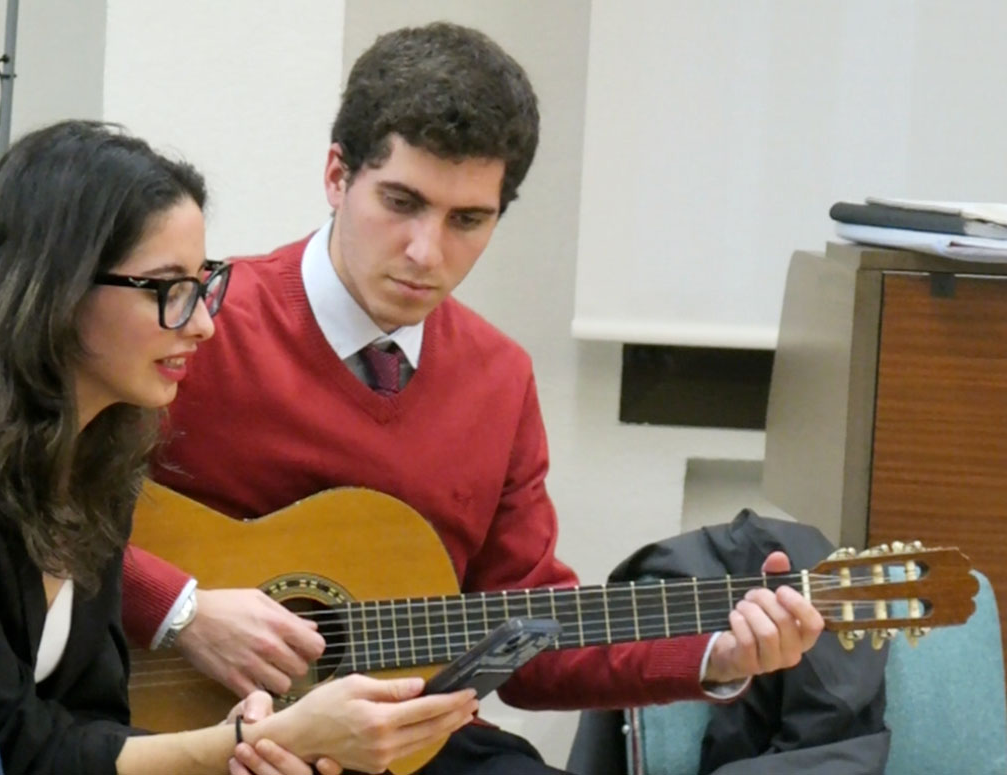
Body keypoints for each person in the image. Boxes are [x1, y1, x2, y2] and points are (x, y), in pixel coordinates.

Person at [121, 22, 824, 774]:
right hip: (201, 738)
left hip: (412, 748)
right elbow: (25, 511)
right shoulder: (200, 325)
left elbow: (528, 641)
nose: (428, 252)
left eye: (467, 220)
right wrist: (180, 609)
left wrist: (718, 651)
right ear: (336, 175)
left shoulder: (499, 380)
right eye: (401, 202)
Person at [0, 120, 479, 775]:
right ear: (57, 286)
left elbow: (87, 722)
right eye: (167, 289)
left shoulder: (94, 464)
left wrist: (247, 745)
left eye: (204, 281)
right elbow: (16, 746)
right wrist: (251, 743)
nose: (203, 323)